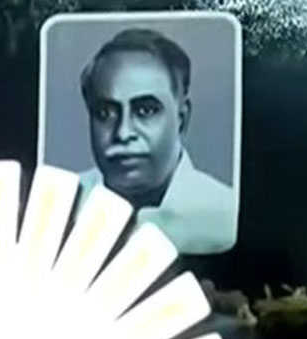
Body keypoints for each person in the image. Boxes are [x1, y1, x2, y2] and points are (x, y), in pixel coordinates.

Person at [75, 27, 236, 254]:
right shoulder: (60, 209)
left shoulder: (226, 214)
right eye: (105, 113)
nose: (123, 133)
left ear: (182, 118)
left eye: (145, 111)